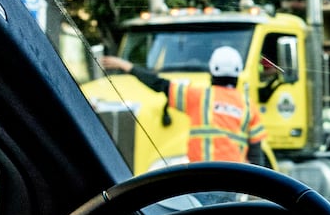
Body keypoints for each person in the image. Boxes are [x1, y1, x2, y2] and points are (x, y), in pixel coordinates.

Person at [99, 46, 270, 167]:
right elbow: (256, 153)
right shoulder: (248, 105)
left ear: (212, 71)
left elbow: (159, 84)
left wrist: (126, 66)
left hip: (199, 175)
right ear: (238, 73)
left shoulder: (199, 96)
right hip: (231, 178)